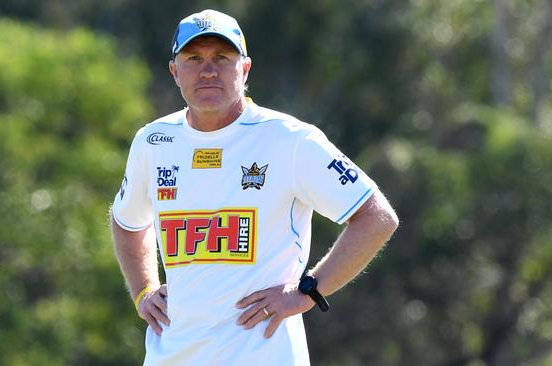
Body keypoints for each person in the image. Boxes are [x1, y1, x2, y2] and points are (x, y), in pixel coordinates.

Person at [110, 9, 399, 366]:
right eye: (194, 58)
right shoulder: (153, 142)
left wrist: (307, 291)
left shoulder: (290, 139)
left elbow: (376, 217)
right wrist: (143, 292)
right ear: (174, 71)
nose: (208, 70)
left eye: (222, 57)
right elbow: (126, 221)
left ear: (244, 69)